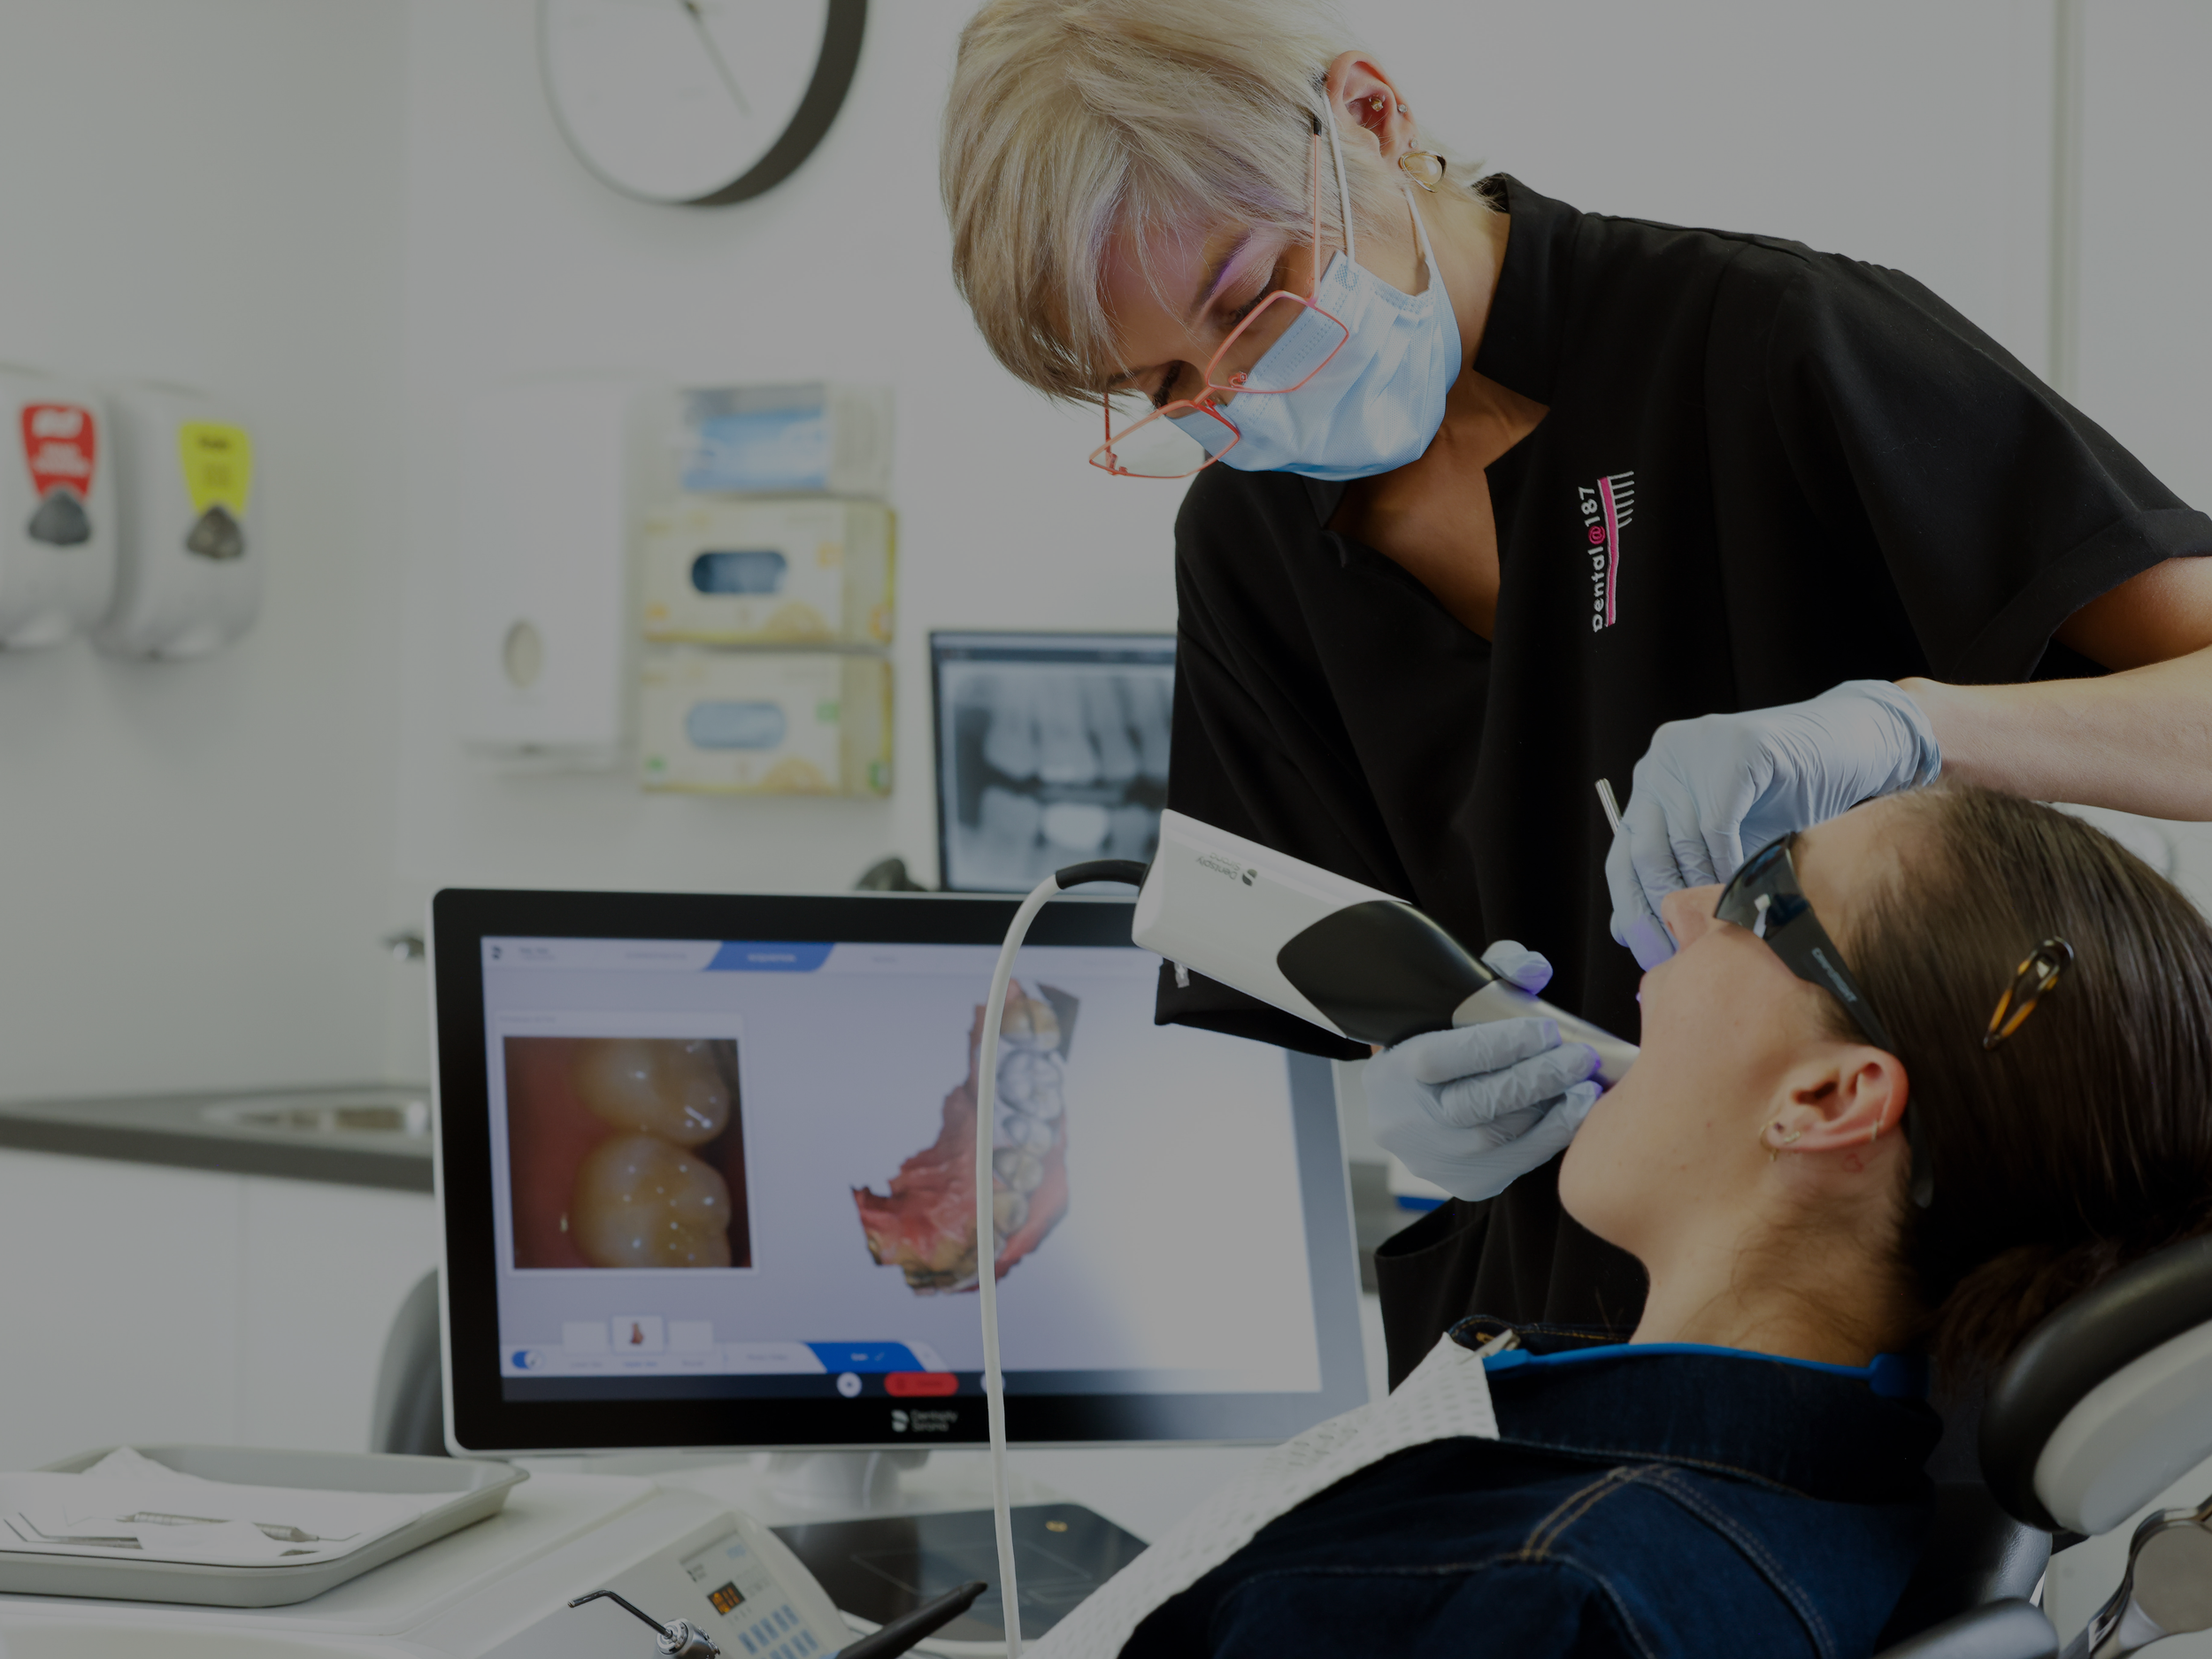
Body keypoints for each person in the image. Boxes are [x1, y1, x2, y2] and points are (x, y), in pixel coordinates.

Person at [938, 0, 2212, 1377]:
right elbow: (1343, 992)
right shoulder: (1253, 544)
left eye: (1252, 304)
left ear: (1371, 117)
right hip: (1560, 1342)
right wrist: (1424, 1114)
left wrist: (1906, 726)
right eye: (1167, 387)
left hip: (1901, 1311)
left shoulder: (1762, 342)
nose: (1242, 401)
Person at [1028, 785, 2212, 1656]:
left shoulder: (1531, 1596)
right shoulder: (1836, 1497)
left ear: (1829, 1097)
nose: (1687, 908)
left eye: (1761, 895)